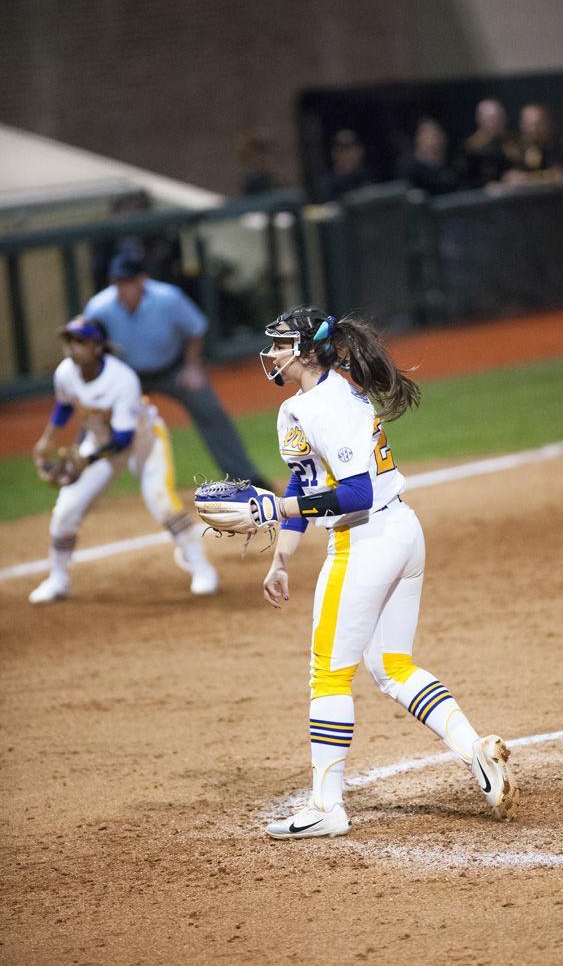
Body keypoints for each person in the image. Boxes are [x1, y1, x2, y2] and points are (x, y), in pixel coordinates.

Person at [251, 306, 519, 838]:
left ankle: (327, 807)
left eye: (281, 344)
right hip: (402, 534)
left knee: (328, 674)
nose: (272, 353)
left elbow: (354, 493)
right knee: (391, 665)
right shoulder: (310, 402)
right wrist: (282, 556)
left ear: (306, 352)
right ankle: (477, 752)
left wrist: (278, 512)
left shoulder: (324, 406)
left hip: (364, 543)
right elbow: (304, 483)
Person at [29, 316, 218, 603]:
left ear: (97, 347)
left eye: (80, 341)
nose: (72, 347)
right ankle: (58, 578)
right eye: (69, 340)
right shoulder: (66, 372)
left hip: (145, 441)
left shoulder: (122, 379)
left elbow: (123, 439)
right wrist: (47, 439)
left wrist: (86, 459)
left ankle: (202, 568)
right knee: (67, 508)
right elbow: (64, 405)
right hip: (100, 443)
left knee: (161, 502)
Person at [84, 253, 271, 488]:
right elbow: (88, 344)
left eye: (127, 282)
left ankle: (246, 476)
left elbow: (195, 330)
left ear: (142, 280)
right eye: (117, 282)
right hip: (127, 376)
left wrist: (192, 367)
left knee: (210, 410)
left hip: (172, 368)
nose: (122, 288)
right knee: (92, 412)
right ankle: (78, 480)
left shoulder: (168, 298)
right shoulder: (99, 307)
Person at [456, 98, 520, 190]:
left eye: (499, 117)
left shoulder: (515, 141)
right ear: (479, 120)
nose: (495, 123)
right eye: (490, 119)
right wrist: (485, 185)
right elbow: (464, 181)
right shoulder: (470, 148)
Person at [502, 104, 563, 187]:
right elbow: (511, 177)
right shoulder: (513, 148)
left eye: (538, 123)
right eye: (528, 124)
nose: (533, 129)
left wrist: (527, 178)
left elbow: (559, 175)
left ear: (547, 123)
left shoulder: (560, 146)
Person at [397, 117, 458, 196]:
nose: (435, 138)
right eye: (430, 134)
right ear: (419, 137)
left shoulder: (452, 163)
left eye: (437, 133)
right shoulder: (409, 167)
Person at [318, 130, 371, 203]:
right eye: (341, 150)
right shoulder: (327, 184)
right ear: (334, 154)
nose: (346, 155)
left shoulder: (368, 176)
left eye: (349, 149)